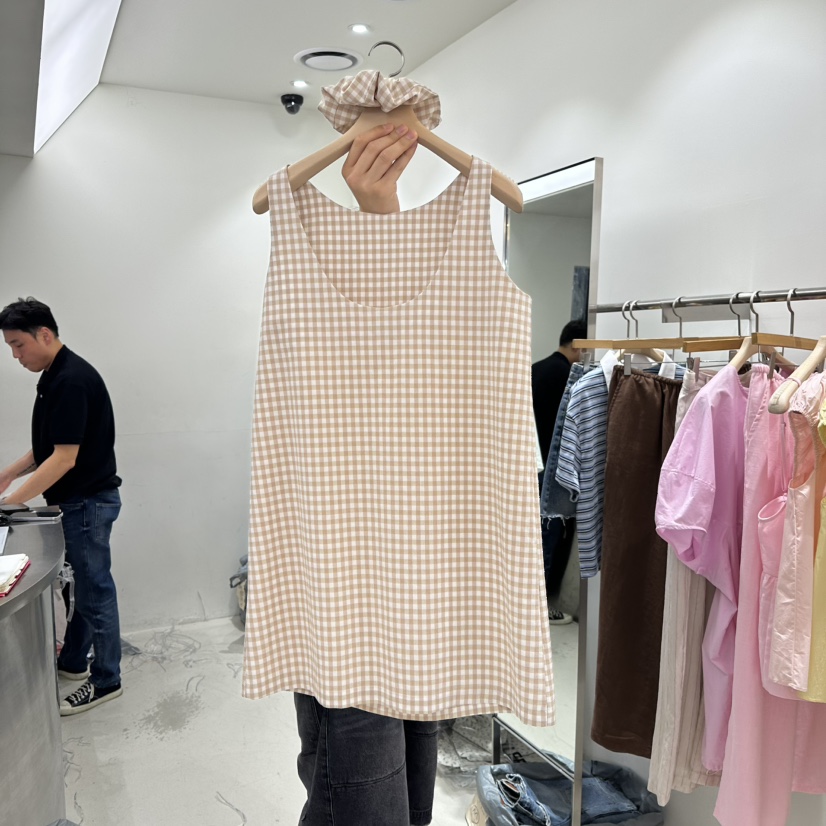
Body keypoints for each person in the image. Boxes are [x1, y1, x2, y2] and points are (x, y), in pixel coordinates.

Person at [0, 298, 123, 715]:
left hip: (87, 503)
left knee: (95, 592)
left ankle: (107, 681)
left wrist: (11, 503)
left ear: (44, 334)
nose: (15, 356)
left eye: (18, 345)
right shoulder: (54, 376)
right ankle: (73, 661)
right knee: (84, 589)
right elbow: (48, 447)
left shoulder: (71, 379)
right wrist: (8, 475)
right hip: (79, 502)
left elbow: (64, 459)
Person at [532, 320, 586, 625]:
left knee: (528, 537)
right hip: (551, 470)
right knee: (547, 536)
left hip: (528, 463)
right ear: (579, 346)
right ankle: (541, 607)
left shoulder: (535, 369)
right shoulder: (569, 377)